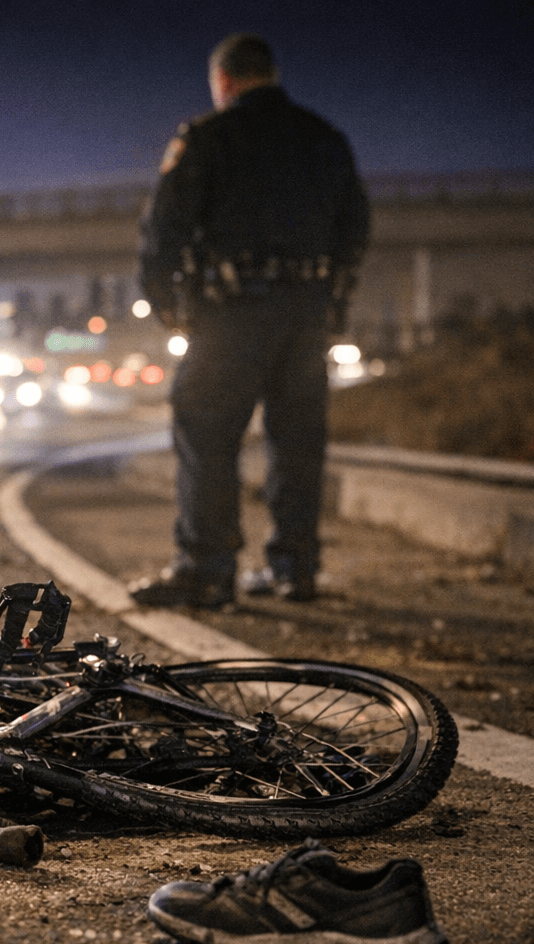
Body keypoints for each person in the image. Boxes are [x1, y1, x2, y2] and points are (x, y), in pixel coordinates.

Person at [132, 32, 370, 608]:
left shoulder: (208, 138)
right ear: (274, 73)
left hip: (229, 314)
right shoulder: (324, 138)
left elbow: (164, 228)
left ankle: (208, 570)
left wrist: (165, 303)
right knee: (298, 440)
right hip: (306, 313)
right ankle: (295, 569)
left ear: (224, 82)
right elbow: (355, 226)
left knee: (207, 436)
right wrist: (333, 302)